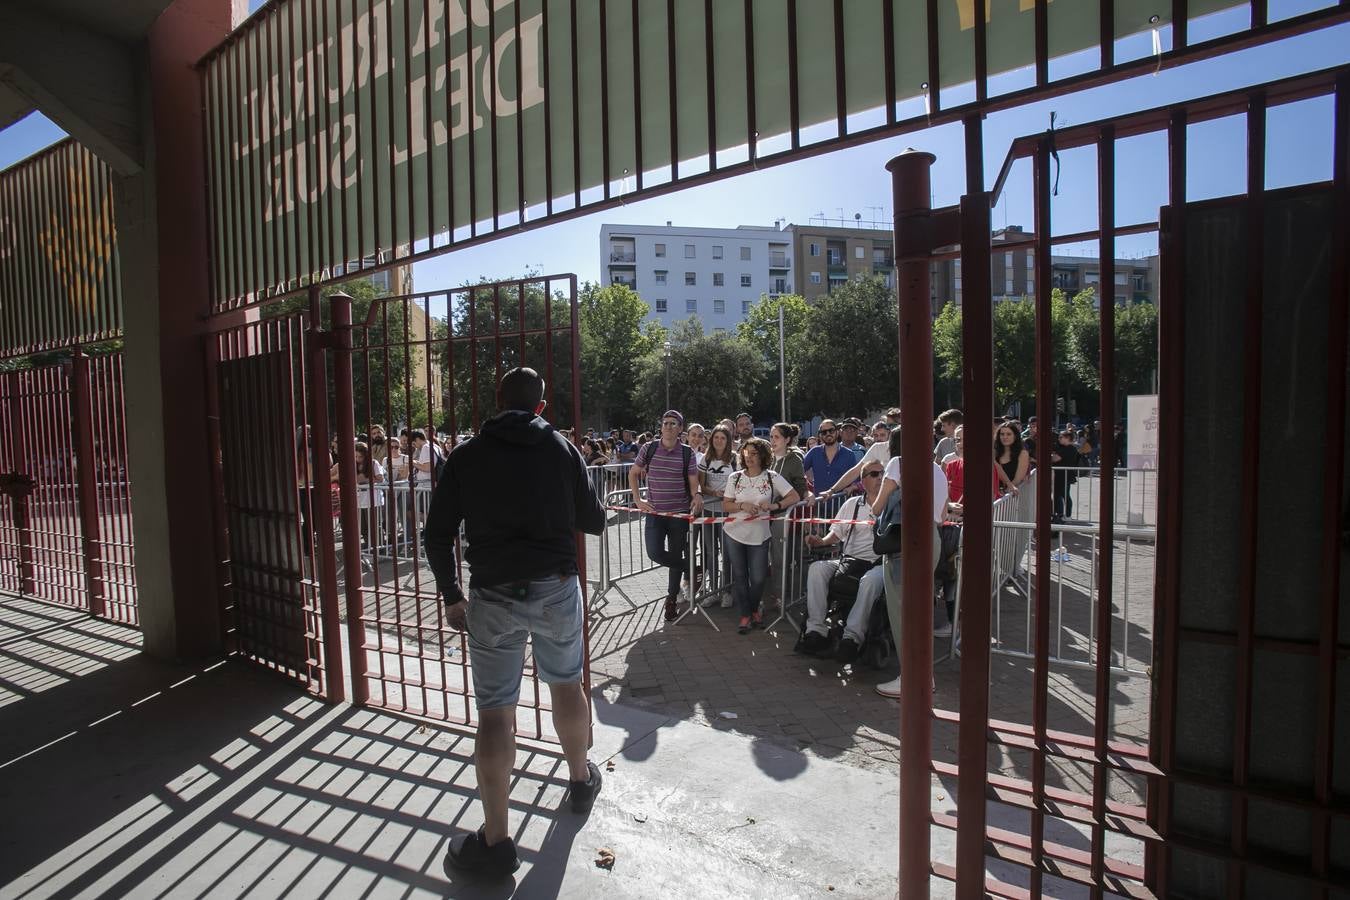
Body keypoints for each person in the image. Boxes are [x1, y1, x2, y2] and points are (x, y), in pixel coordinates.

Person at [423, 367, 606, 876]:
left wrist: (452, 596)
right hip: (554, 587)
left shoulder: (466, 454)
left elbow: (436, 535)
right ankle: (578, 779)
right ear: (541, 408)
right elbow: (593, 520)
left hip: (492, 593)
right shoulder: (563, 450)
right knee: (567, 684)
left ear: (497, 401)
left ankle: (498, 841)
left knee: (495, 714)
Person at [871, 428, 950, 699]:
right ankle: (922, 676)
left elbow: (877, 507)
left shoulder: (898, 463)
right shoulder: (938, 470)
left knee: (902, 612)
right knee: (920, 610)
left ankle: (913, 678)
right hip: (933, 539)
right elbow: (942, 512)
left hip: (905, 543)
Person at [800, 460, 884, 663]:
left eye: (882, 473)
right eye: (874, 474)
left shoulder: (893, 505)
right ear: (863, 481)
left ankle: (852, 637)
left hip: (880, 563)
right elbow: (835, 536)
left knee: (870, 581)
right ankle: (816, 630)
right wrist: (819, 541)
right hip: (850, 560)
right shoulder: (852, 504)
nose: (880, 477)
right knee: (817, 569)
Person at [629, 410, 703, 621]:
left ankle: (671, 600)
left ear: (680, 429)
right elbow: (633, 473)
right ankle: (692, 568)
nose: (669, 426)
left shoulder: (687, 453)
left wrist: (697, 494)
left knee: (675, 555)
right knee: (654, 552)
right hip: (654, 511)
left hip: (679, 513)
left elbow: (692, 480)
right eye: (665, 423)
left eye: (674, 423)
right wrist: (637, 499)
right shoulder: (649, 448)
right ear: (661, 427)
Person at [722, 437, 800, 634]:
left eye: (754, 453)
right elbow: (726, 504)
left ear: (763, 455)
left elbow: (794, 496)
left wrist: (775, 506)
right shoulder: (735, 477)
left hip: (760, 535)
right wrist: (742, 506)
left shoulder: (772, 477)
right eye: (746, 452)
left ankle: (755, 608)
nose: (749, 456)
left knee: (757, 578)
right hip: (733, 533)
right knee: (740, 576)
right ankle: (746, 615)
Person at [697, 424, 738, 609]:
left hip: (728, 513)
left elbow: (740, 483)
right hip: (708, 511)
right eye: (716, 437)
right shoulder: (706, 459)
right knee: (710, 552)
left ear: (728, 440)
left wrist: (727, 494)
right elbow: (701, 485)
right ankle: (713, 591)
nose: (719, 441)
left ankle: (727, 591)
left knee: (727, 553)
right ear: (711, 439)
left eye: (723, 438)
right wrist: (714, 492)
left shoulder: (735, 459)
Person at [802, 419, 854, 494]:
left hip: (842, 503)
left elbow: (856, 479)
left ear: (837, 432)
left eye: (831, 430)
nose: (828, 433)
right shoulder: (814, 452)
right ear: (820, 435)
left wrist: (852, 487)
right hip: (819, 503)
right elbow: (799, 472)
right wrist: (806, 491)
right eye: (824, 432)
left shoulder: (849, 454)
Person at [1051, 426, 1082, 523]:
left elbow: (1055, 459)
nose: (1059, 439)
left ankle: (1065, 515)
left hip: (1064, 475)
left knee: (1064, 496)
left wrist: (1051, 455)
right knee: (1061, 495)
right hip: (1062, 475)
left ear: (1068, 438)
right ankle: (1061, 515)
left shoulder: (1069, 449)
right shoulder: (1066, 448)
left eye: (1061, 437)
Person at [995, 422, 1030, 497]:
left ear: (1015, 436)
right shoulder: (994, 452)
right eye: (1002, 434)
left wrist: (1006, 492)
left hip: (1011, 499)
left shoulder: (1022, 453)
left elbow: (1017, 479)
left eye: (1009, 434)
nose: (1005, 437)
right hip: (994, 497)